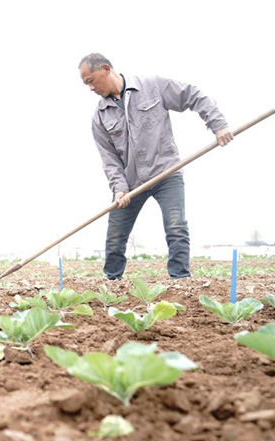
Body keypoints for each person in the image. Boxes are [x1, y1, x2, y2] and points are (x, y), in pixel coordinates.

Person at [79, 52, 234, 280]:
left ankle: (180, 280)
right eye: (86, 84)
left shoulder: (151, 86)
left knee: (176, 227)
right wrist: (119, 189)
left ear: (105, 68)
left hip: (166, 173)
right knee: (115, 236)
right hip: (130, 184)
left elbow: (193, 95)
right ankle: (111, 282)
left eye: (90, 80)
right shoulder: (100, 117)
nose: (90, 88)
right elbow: (110, 160)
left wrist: (218, 125)